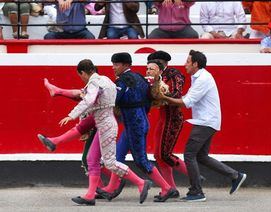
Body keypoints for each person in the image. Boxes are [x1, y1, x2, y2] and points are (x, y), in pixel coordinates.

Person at [38, 59, 151, 205]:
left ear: (83, 73)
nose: (82, 79)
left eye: (81, 76)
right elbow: (86, 96)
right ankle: (90, 195)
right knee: (92, 159)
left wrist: (72, 115)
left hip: (106, 126)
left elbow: (88, 100)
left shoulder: (94, 83)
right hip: (106, 123)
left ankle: (141, 182)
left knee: (110, 162)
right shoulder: (106, 80)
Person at [160, 50, 246, 201]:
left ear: (195, 64)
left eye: (187, 62)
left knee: (189, 154)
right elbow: (188, 98)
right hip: (207, 121)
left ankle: (196, 192)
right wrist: (167, 98)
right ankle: (235, 175)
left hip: (205, 122)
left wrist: (162, 97)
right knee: (201, 156)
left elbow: (187, 102)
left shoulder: (202, 79)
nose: (184, 65)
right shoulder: (199, 77)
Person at [96, 53, 176, 202]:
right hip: (139, 122)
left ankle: (167, 188)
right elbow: (148, 99)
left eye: (117, 64)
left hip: (134, 126)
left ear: (126, 65)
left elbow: (113, 101)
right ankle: (112, 187)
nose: (113, 67)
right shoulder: (139, 77)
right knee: (117, 157)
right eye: (113, 64)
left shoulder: (123, 81)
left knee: (141, 160)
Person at [146, 51, 187, 198]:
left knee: (164, 154)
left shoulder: (175, 74)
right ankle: (171, 188)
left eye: (157, 63)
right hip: (163, 118)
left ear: (164, 63)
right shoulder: (155, 77)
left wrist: (161, 95)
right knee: (158, 155)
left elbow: (177, 94)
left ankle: (195, 176)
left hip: (173, 117)